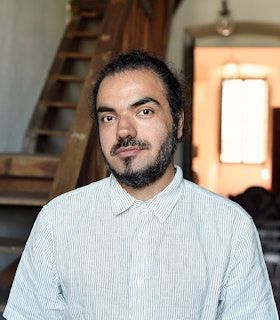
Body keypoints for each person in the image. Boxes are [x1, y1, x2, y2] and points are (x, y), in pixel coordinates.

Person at [3, 50, 278, 320]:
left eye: (144, 111)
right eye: (108, 117)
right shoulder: (57, 220)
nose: (124, 130)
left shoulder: (231, 227)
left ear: (178, 122)